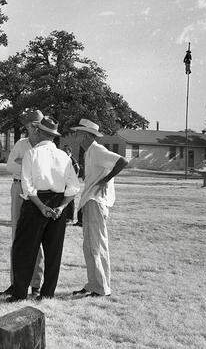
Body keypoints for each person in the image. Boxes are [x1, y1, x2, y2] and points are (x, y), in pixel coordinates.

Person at [7, 116, 80, 302]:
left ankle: (20, 294)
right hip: (58, 204)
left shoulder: (32, 154)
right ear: (54, 137)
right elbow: (73, 187)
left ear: (39, 132)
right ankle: (47, 293)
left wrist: (40, 206)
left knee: (24, 250)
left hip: (35, 203)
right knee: (54, 252)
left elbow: (27, 186)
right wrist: (62, 207)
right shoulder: (64, 156)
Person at [71, 119, 127, 298]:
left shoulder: (98, 150)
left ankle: (102, 288)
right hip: (90, 201)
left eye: (79, 133)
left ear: (87, 135)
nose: (77, 136)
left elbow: (122, 161)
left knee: (97, 245)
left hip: (96, 202)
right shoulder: (89, 152)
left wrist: (106, 179)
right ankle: (93, 284)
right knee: (89, 246)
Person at [0, 109, 45, 298]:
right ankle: (16, 284)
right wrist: (30, 167)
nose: (32, 128)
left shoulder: (46, 145)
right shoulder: (21, 143)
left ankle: (36, 284)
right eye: (30, 125)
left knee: (37, 238)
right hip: (19, 189)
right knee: (17, 236)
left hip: (38, 191)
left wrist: (24, 164)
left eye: (36, 125)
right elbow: (10, 165)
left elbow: (45, 171)